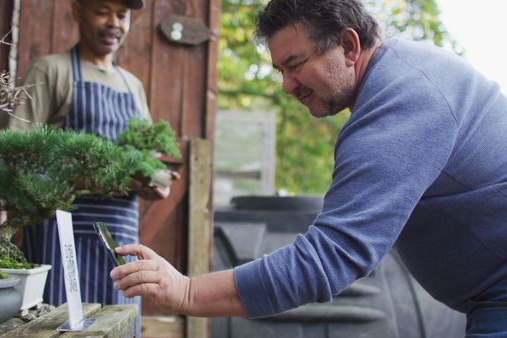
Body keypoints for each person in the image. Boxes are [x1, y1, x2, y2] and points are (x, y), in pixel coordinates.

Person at [109, 0, 507, 336]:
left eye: (295, 64)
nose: (287, 86)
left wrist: (187, 293)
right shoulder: (401, 78)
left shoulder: (400, 103)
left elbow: (330, 257)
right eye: (280, 70)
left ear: (349, 46)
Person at [6, 0, 173, 335]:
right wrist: (85, 177)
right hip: (60, 233)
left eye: (122, 15)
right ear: (77, 11)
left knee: (120, 324)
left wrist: (154, 182)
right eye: (102, 11)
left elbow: (152, 162)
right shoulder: (51, 71)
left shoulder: (132, 85)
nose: (114, 23)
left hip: (119, 238)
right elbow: (14, 152)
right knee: (58, 326)